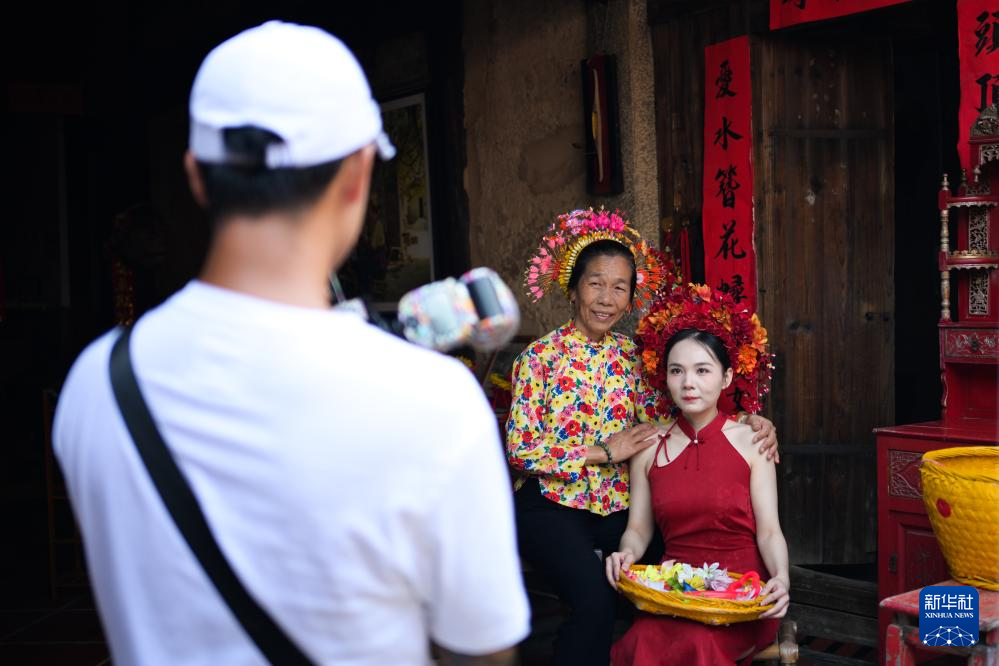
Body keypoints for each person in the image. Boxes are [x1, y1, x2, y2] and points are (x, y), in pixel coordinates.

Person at [53, 21, 529, 665]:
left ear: (197, 177)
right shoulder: (435, 402)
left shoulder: (98, 381)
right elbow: (482, 653)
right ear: (358, 175)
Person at [507, 209, 778, 665]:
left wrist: (748, 419)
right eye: (595, 283)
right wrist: (603, 451)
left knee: (665, 584)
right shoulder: (538, 358)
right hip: (553, 505)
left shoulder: (634, 358)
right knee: (594, 601)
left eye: (619, 287)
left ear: (631, 299)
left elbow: (676, 414)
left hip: (619, 505)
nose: (606, 298)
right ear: (572, 289)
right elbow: (520, 450)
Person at [606, 283, 790, 665]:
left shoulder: (753, 442)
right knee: (639, 641)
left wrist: (781, 578)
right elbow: (638, 529)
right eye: (677, 371)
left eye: (702, 370)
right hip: (675, 591)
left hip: (741, 594)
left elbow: (770, 531)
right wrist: (626, 554)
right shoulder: (648, 448)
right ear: (666, 377)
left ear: (726, 377)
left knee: (700, 644)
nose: (688, 382)